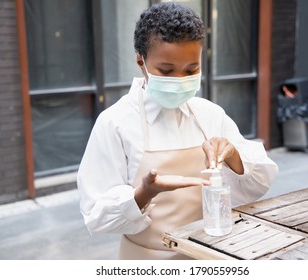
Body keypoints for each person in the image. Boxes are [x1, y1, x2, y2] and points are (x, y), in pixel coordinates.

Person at [77, 2, 278, 260]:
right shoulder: (115, 122)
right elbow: (96, 216)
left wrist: (233, 156)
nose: (180, 80)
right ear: (141, 60)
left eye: (191, 70)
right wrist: (145, 192)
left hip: (207, 254)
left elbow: (259, 183)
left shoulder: (210, 114)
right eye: (166, 70)